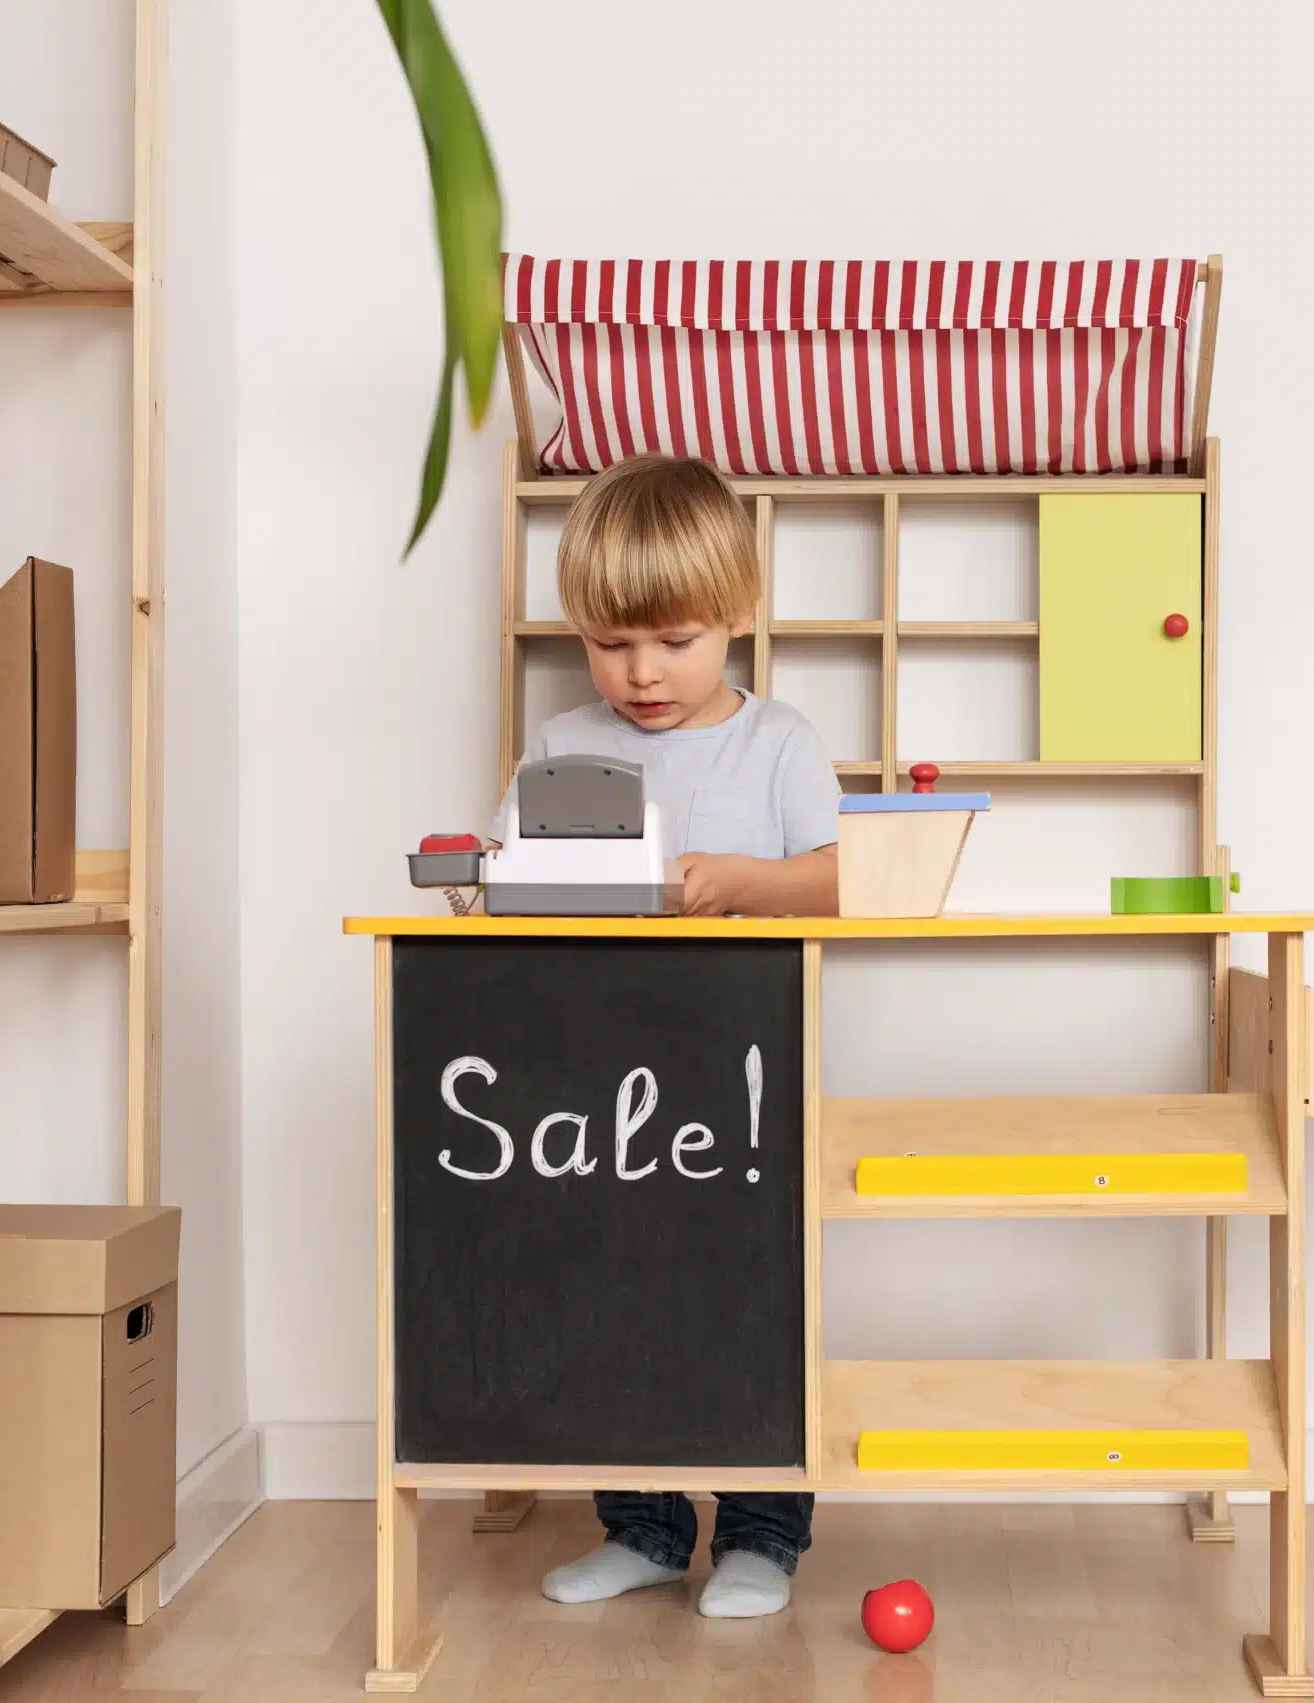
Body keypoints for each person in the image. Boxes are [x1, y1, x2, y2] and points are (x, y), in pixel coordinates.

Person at [502, 452, 835, 1616]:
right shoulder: (561, 738)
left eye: (675, 641)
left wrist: (744, 878)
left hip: (745, 1078)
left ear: (738, 615)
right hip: (602, 1085)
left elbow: (845, 880)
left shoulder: (778, 742)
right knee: (609, 1302)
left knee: (750, 1302)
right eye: (609, 642)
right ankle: (640, 1526)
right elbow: (512, 877)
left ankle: (759, 1530)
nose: (640, 672)